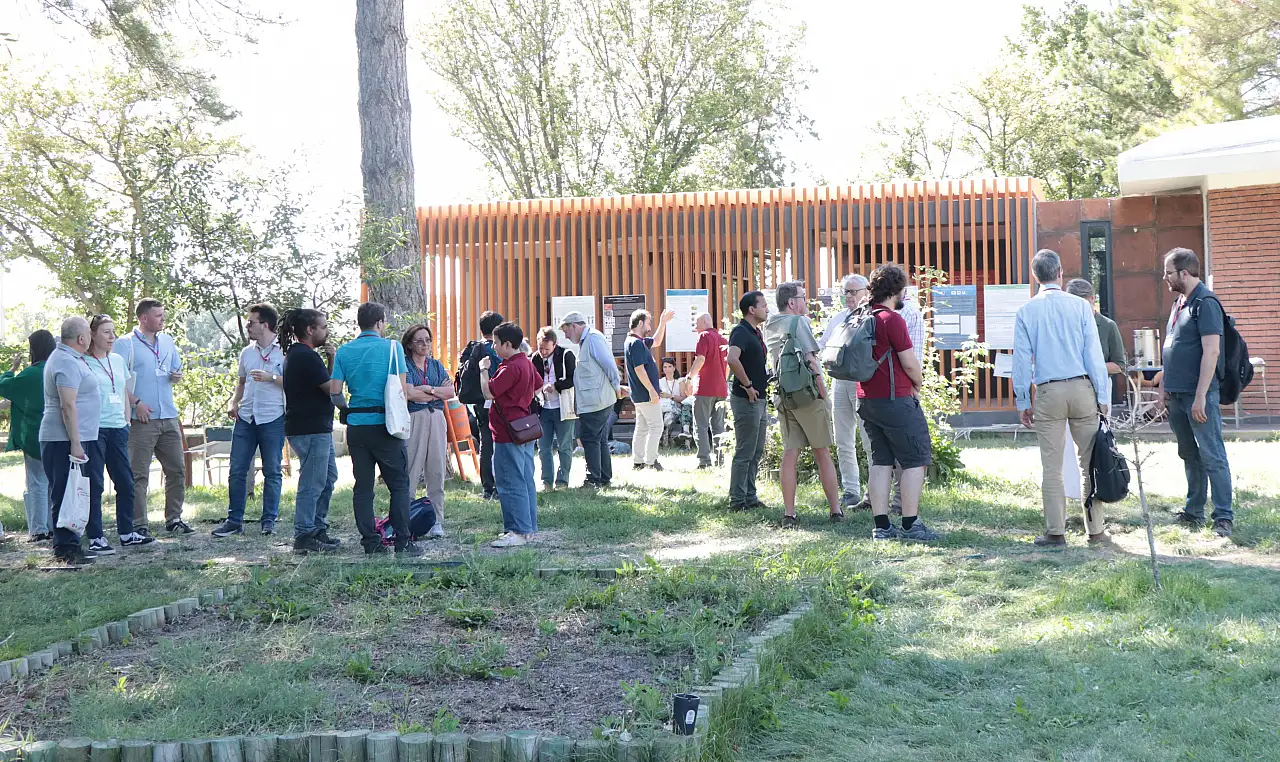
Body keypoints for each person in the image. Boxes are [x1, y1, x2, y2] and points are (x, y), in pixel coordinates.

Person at [1013, 249, 1111, 547]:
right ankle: (1095, 530)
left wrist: (1022, 401)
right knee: (1089, 462)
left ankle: (1055, 531)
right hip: (1082, 388)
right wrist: (1102, 394)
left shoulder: (1026, 311)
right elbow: (1094, 355)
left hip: (1048, 391)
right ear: (1060, 272)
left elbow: (1020, 361)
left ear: (1035, 276)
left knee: (1052, 466)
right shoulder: (1081, 308)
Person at [330, 302, 424, 557]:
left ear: (359, 324)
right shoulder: (393, 348)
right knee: (399, 485)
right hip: (386, 427)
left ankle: (371, 543)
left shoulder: (344, 351)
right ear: (380, 323)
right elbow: (403, 391)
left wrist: (347, 408)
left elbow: (335, 391)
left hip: (358, 428)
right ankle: (403, 541)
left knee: (363, 487)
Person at [857, 265, 941, 541]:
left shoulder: (862, 316)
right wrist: (918, 382)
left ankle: (881, 527)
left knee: (881, 461)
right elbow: (909, 361)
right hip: (896, 398)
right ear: (895, 291)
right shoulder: (891, 320)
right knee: (916, 459)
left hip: (867, 399)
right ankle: (910, 524)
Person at [1162, 247, 1233, 537]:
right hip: (1177, 394)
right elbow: (1171, 346)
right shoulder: (1180, 302)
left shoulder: (1206, 302)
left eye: (1168, 271)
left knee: (1212, 454)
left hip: (1198, 395)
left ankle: (1223, 518)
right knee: (1189, 454)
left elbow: (1212, 351)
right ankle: (1193, 512)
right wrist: (1164, 388)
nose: (1164, 277)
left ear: (1185, 273)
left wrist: (1202, 395)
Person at [763, 281, 842, 527]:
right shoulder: (799, 323)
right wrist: (824, 396)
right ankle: (835, 510)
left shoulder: (770, 325)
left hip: (784, 395)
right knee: (822, 452)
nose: (806, 301)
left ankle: (789, 514)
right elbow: (812, 362)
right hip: (806, 395)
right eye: (803, 297)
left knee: (790, 453)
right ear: (792, 302)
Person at [114, 299, 191, 535]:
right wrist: (136, 403)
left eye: (163, 315)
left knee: (177, 470)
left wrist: (176, 375)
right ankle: (139, 525)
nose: (162, 319)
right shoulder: (125, 344)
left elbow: (175, 368)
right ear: (144, 318)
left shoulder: (167, 341)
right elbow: (115, 381)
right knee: (138, 474)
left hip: (168, 415)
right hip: (142, 420)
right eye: (158, 315)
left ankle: (174, 519)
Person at [212, 304, 286, 538]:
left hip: (273, 417)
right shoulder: (247, 352)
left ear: (265, 325)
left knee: (272, 471)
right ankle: (234, 521)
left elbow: (294, 384)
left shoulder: (284, 351)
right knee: (237, 470)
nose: (247, 326)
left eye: (251, 322)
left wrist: (271, 378)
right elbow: (241, 383)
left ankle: (269, 521)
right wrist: (233, 402)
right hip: (246, 418)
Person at [85, 315, 153, 551]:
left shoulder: (116, 360)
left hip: (118, 428)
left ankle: (127, 532)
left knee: (125, 482)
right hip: (94, 429)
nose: (112, 336)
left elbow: (124, 391)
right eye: (106, 332)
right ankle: (95, 536)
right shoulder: (83, 361)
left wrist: (126, 420)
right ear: (92, 334)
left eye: (113, 332)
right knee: (95, 483)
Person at [40, 318, 103, 565]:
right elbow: (68, 405)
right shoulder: (65, 361)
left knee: (72, 491)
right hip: (62, 439)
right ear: (81, 338)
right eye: (89, 333)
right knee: (65, 491)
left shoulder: (72, 358)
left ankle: (72, 543)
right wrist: (75, 443)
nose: (90, 337)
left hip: (75, 437)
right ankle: (65, 548)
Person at [279, 309, 340, 554]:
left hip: (315, 427)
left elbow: (325, 383)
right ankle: (304, 534)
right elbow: (331, 389)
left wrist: (331, 359)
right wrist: (336, 362)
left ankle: (317, 527)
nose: (326, 331)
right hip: (310, 428)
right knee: (313, 482)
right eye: (323, 327)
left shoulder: (302, 355)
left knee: (327, 478)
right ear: (310, 330)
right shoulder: (305, 356)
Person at [1062, 279, 1127, 502]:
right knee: (1069, 445)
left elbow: (1119, 364)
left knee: (1097, 441)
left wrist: (1092, 368)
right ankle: (1072, 492)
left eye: (1083, 303)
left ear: (1092, 300)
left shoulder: (1108, 326)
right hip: (1070, 390)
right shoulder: (1066, 325)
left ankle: (1100, 488)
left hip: (1098, 388)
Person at [479, 321, 540, 547]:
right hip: (525, 429)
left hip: (508, 432)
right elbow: (538, 386)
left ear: (507, 344)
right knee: (525, 480)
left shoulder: (509, 367)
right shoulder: (527, 363)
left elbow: (488, 393)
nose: (493, 348)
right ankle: (529, 528)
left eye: (495, 343)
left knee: (508, 480)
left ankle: (517, 531)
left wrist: (483, 370)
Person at [819, 273, 872, 511]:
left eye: (853, 292)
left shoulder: (872, 316)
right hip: (840, 381)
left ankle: (874, 492)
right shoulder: (839, 318)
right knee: (843, 439)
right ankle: (851, 491)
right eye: (845, 292)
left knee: (870, 439)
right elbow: (822, 347)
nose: (848, 297)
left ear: (866, 292)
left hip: (864, 382)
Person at [0, 331, 56, 542]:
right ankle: (53, 526)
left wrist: (11, 369)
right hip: (59, 434)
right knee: (53, 482)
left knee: (36, 483)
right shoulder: (56, 369)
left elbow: (4, 386)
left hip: (35, 435)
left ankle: (39, 529)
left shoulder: (30, 374)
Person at [560, 311, 624, 489]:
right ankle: (603, 477)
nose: (565, 335)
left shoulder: (593, 339)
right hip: (596, 399)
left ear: (574, 325)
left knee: (589, 439)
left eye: (566, 330)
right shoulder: (588, 340)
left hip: (596, 401)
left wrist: (616, 386)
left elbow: (609, 364)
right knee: (599, 439)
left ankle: (593, 479)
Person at [402, 323, 453, 536]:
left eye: (427, 340)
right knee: (411, 469)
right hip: (415, 418)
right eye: (419, 341)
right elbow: (410, 394)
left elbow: (450, 391)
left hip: (437, 418)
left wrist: (430, 390)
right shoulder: (405, 365)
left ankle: (436, 521)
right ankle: (405, 520)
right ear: (410, 344)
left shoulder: (436, 365)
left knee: (437, 469)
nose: (424, 344)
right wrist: (435, 393)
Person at [726, 291, 770, 512]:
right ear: (751, 310)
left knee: (756, 450)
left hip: (760, 399)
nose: (767, 308)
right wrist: (747, 385)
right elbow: (732, 359)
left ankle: (750, 497)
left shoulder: (755, 332)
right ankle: (737, 500)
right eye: (763, 305)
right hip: (747, 399)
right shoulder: (740, 331)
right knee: (745, 451)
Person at [625, 308, 675, 471]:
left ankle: (638, 461)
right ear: (640, 323)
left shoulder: (634, 341)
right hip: (646, 394)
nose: (649, 325)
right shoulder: (636, 343)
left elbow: (657, 341)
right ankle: (651, 461)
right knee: (656, 427)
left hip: (639, 395)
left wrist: (663, 323)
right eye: (648, 322)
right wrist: (652, 391)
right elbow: (640, 369)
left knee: (642, 428)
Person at [462, 312, 504, 500]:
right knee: (499, 442)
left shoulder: (473, 348)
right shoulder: (496, 349)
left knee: (486, 442)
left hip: (477, 402)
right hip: (495, 399)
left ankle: (487, 486)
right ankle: (499, 484)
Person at [531, 327, 576, 490]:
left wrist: (556, 386)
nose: (542, 352)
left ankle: (562, 481)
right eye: (540, 347)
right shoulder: (534, 358)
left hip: (563, 407)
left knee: (564, 446)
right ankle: (546, 481)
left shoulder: (566, 355)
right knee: (543, 446)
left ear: (555, 345)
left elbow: (573, 379)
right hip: (543, 408)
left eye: (546, 348)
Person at [688, 313, 728, 468]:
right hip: (721, 389)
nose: (696, 327)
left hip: (704, 388)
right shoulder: (723, 339)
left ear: (705, 322)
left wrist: (689, 378)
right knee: (719, 427)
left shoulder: (703, 336)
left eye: (697, 323)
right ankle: (720, 460)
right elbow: (728, 365)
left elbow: (700, 359)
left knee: (701, 426)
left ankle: (704, 461)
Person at [658, 357, 691, 440]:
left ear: (674, 367)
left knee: (668, 417)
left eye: (669, 366)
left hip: (676, 409)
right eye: (665, 367)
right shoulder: (660, 382)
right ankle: (663, 440)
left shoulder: (680, 381)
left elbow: (683, 399)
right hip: (662, 408)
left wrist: (671, 396)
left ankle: (666, 439)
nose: (667, 369)